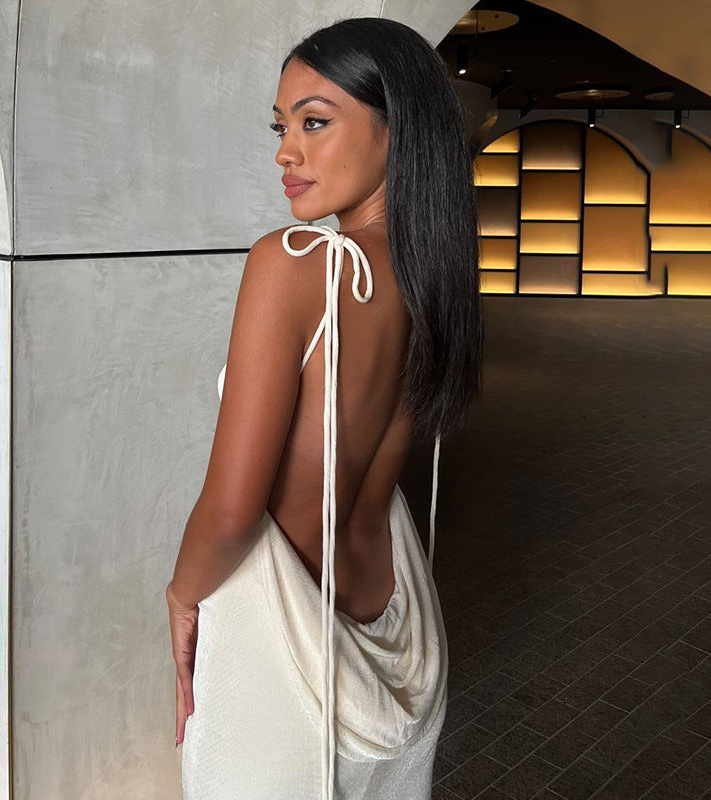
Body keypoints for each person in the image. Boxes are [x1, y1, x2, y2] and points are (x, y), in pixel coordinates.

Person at [165, 16, 483, 800]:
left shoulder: (295, 265)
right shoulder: (435, 277)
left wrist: (180, 595)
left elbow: (233, 513)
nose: (285, 152)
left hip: (280, 652)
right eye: (281, 127)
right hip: (396, 617)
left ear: (397, 129)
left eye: (314, 122)